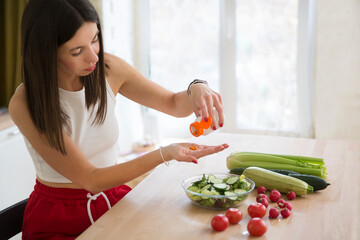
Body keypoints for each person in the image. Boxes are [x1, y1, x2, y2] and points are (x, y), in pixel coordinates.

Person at [9, 0, 229, 239]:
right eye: (77, 51)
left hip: (110, 200)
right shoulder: (26, 103)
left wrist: (197, 87)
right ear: (46, 51)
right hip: (57, 219)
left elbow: (173, 104)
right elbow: (90, 179)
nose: (93, 56)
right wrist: (165, 153)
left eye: (95, 39)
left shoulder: (107, 68)